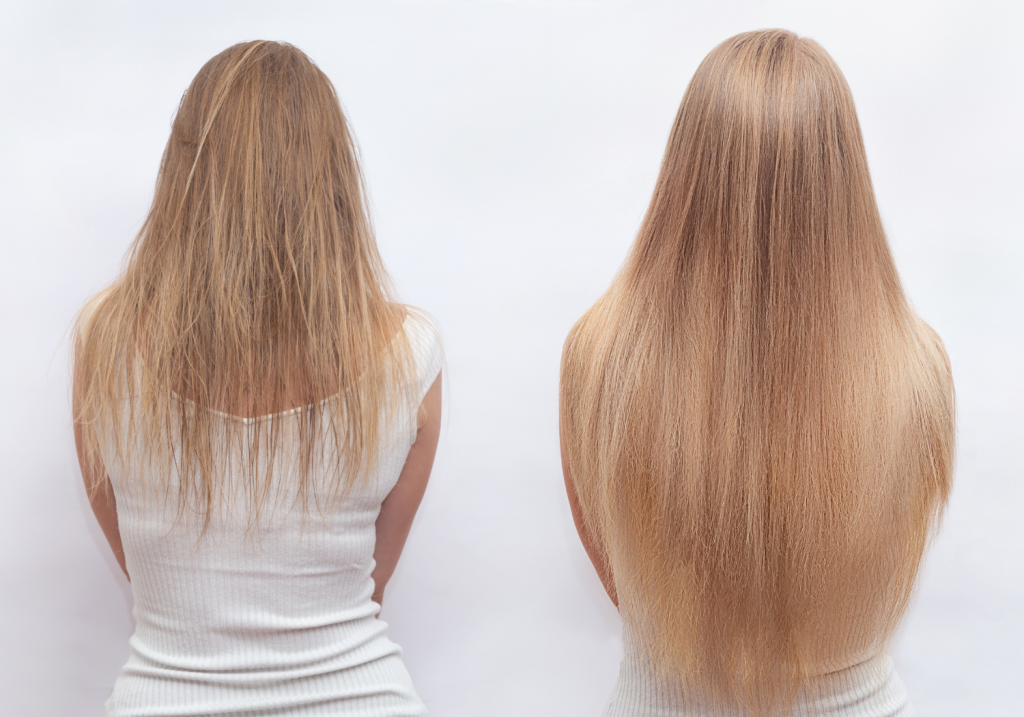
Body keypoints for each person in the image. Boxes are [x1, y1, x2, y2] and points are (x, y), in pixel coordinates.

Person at [559, 29, 955, 717]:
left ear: (689, 170)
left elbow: (627, 583)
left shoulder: (598, 360)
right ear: (843, 172)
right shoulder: (921, 372)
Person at [72, 41, 442, 716]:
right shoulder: (409, 352)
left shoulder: (104, 341)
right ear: (335, 178)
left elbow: (142, 569)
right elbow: (370, 582)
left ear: (185, 170)